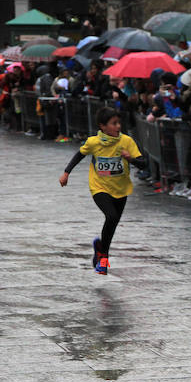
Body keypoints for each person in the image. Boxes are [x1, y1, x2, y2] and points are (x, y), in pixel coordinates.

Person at [58, 107, 146, 275]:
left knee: (112, 226)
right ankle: (103, 259)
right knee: (111, 216)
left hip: (121, 188)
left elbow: (143, 163)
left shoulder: (126, 141)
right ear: (102, 126)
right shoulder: (93, 142)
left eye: (119, 123)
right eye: (114, 123)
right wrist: (66, 173)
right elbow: (79, 155)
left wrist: (130, 159)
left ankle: (101, 252)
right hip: (99, 187)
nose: (118, 126)